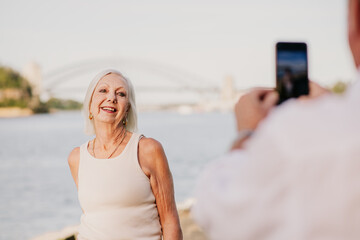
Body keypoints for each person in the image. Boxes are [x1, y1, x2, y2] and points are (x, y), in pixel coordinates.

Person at [192, 0, 360, 239]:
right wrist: (334, 105)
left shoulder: (294, 140)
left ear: (355, 20)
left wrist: (247, 134)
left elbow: (220, 213)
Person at [68, 69, 182, 240]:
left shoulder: (148, 149)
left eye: (120, 94)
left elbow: (170, 221)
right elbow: (95, 217)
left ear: (127, 108)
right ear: (90, 103)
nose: (111, 98)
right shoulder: (76, 158)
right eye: (103, 90)